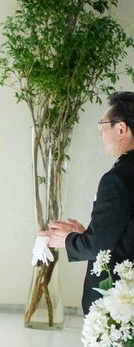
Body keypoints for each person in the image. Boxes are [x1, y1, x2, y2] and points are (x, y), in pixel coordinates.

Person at [43, 91, 134, 315]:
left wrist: (67, 239)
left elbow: (98, 247)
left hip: (119, 301)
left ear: (121, 129)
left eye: (102, 126)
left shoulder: (117, 178)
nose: (100, 134)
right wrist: (85, 234)